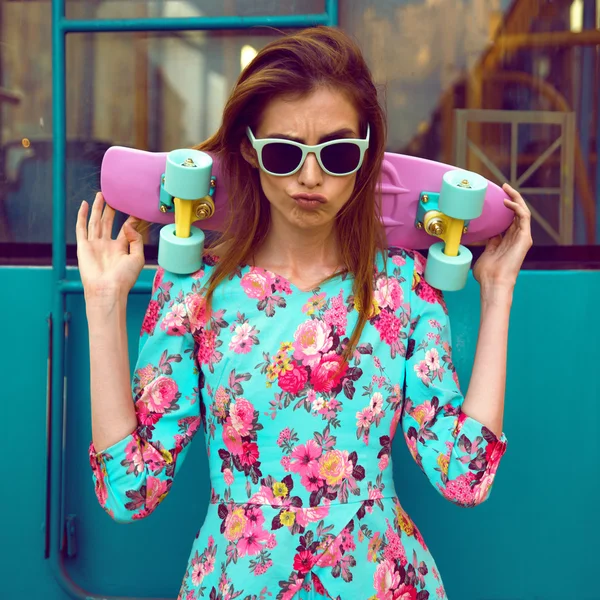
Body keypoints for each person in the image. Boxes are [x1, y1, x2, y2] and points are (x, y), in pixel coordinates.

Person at [76, 26, 532, 600]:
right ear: (248, 148)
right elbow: (130, 490)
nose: (310, 178)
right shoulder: (194, 287)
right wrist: (103, 305)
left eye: (337, 153)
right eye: (285, 152)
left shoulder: (403, 285)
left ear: (366, 154)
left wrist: (498, 293)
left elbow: (465, 477)